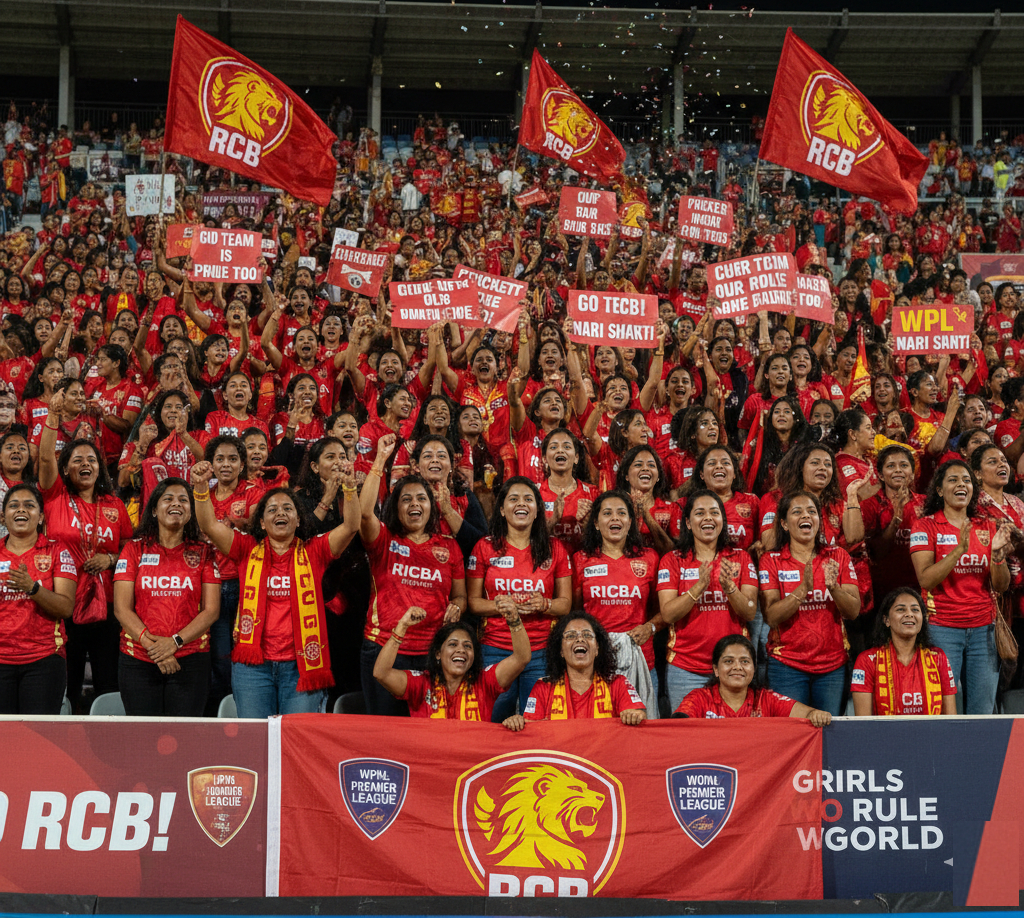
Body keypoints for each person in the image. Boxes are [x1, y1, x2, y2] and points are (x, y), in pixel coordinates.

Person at [190, 460, 360, 717]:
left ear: (299, 519)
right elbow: (209, 526)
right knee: (256, 744)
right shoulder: (245, 549)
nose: (280, 513)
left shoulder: (316, 550)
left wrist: (349, 490)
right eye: (271, 509)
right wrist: (201, 488)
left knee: (296, 741)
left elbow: (351, 526)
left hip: (301, 666)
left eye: (287, 508)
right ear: (261, 523)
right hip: (253, 668)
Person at [358, 434, 466, 716]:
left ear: (431, 506)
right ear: (396, 506)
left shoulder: (449, 546)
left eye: (421, 498)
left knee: (425, 738)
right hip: (384, 649)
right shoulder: (383, 540)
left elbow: (460, 596)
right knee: (385, 736)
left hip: (433, 654)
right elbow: (365, 514)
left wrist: (458, 607)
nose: (414, 504)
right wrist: (380, 459)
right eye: (406, 499)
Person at [39, 390, 132, 713]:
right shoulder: (54, 498)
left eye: (91, 459)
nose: (85, 464)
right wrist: (53, 417)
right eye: (77, 460)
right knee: (68, 681)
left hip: (107, 605)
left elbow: (129, 551)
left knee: (108, 683)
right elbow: (46, 458)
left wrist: (110, 559)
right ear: (66, 470)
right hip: (63, 603)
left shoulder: (114, 505)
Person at [910, 460, 1011, 715]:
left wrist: (997, 556)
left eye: (966, 480)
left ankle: (979, 756)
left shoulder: (987, 526)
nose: (961, 484)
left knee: (982, 709)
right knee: (945, 709)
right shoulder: (925, 526)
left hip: (983, 630)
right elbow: (925, 579)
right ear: (940, 490)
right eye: (953, 480)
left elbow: (1001, 585)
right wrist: (958, 551)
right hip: (941, 628)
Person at [112, 478, 220, 716]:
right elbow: (121, 609)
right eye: (168, 498)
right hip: (138, 658)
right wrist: (156, 649)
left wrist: (174, 643)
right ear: (153, 510)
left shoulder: (204, 552)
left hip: (190, 658)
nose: (177, 504)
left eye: (183, 500)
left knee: (184, 740)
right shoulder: (133, 549)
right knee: (142, 739)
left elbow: (211, 610)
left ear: (191, 513)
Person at [468, 476, 572, 722]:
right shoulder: (484, 547)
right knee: (492, 723)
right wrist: (502, 606)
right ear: (502, 509)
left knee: (537, 724)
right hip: (495, 648)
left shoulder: (554, 548)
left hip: (541, 651)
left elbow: (565, 604)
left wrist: (544, 605)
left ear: (538, 510)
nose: (521, 504)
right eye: (513, 499)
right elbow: (472, 603)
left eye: (528, 499)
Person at [759, 491, 861, 715]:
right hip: (787, 665)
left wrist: (834, 588)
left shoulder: (838, 556)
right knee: (791, 735)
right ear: (784, 524)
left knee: (829, 735)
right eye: (797, 512)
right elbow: (771, 616)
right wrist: (802, 590)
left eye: (812, 511)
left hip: (832, 665)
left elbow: (853, 611)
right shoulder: (771, 561)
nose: (806, 516)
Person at [656, 490, 759, 710]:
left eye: (714, 512)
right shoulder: (672, 561)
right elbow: (668, 614)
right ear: (688, 523)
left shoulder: (740, 557)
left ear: (723, 520)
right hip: (685, 668)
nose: (708, 518)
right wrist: (699, 587)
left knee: (729, 739)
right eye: (700, 513)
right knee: (686, 739)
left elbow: (750, 612)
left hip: (732, 669)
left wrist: (730, 588)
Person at [572, 490, 661, 698]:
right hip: (595, 662)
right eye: (607, 513)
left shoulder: (649, 558)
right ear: (595, 523)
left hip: (641, 660)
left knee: (643, 728)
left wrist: (650, 627)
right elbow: (574, 614)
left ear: (630, 522)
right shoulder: (580, 559)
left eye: (621, 513)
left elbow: (661, 611)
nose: (614, 518)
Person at [372, 604, 530, 720]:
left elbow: (521, 658)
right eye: (453, 644)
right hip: (429, 762)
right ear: (438, 654)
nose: (461, 650)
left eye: (467, 646)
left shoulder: (485, 681)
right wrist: (401, 627)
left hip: (474, 764)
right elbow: (381, 673)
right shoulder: (420, 683)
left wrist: (515, 621)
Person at [0, 484, 77, 715]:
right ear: (3, 518)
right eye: (13, 505)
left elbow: (65, 607)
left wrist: (32, 589)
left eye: (29, 505)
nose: (21, 510)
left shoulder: (57, 551)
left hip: (43, 660)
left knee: (39, 740)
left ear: (41, 516)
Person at [502, 613, 646, 728]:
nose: (579, 639)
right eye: (571, 636)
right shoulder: (544, 687)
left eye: (587, 635)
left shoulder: (617, 683)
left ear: (597, 649)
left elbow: (640, 717)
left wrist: (634, 716)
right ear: (561, 651)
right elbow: (531, 732)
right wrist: (516, 723)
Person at [674, 635, 831, 724]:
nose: (737, 667)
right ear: (716, 669)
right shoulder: (699, 698)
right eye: (728, 661)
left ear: (754, 669)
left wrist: (816, 714)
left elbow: (809, 713)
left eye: (745, 661)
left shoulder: (766, 699)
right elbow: (678, 724)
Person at [851, 589, 957, 716]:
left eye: (915, 610)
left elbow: (951, 720)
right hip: (884, 735)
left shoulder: (938, 658)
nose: (909, 614)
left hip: (931, 735)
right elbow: (863, 725)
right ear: (886, 620)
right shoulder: (867, 661)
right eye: (900, 609)